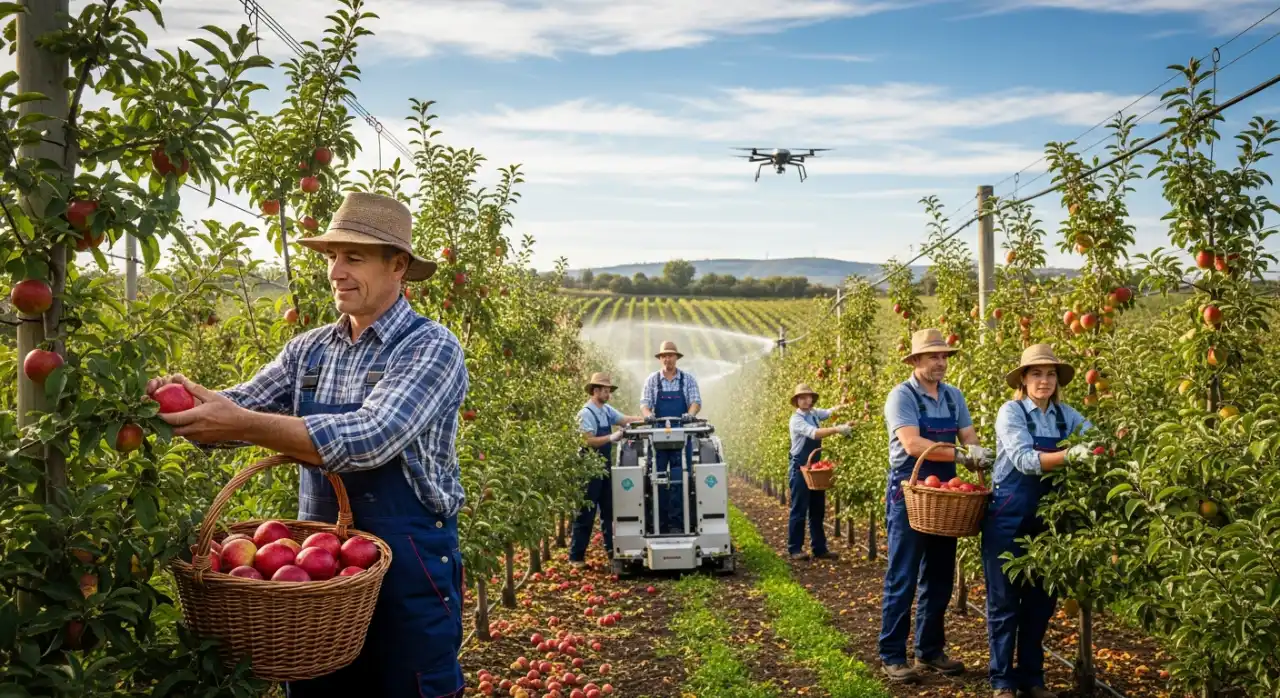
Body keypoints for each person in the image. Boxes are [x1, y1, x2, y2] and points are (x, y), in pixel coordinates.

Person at [147, 192, 469, 698]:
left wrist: (242, 422)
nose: (336, 271)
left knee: (410, 686)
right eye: (331, 258)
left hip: (410, 569)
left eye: (354, 257)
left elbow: (369, 438)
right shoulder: (309, 349)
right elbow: (241, 404)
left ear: (398, 266)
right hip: (315, 579)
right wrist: (181, 405)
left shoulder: (433, 347)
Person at [879, 328, 992, 683]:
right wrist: (963, 456)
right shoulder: (902, 396)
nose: (941, 362)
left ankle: (929, 650)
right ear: (915, 361)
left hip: (946, 492)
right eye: (933, 357)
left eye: (944, 357)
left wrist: (976, 451)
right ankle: (893, 654)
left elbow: (968, 435)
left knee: (940, 576)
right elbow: (912, 444)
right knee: (903, 575)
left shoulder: (954, 395)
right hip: (911, 487)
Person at [984, 344, 1097, 698]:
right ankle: (1002, 680)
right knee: (1004, 601)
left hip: (1050, 518)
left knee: (1041, 601)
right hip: (1008, 514)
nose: (1044, 380)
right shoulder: (1011, 412)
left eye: (1050, 374)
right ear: (1023, 379)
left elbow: (1097, 439)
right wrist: (1071, 454)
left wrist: (1101, 447)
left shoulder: (1068, 416)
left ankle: (1032, 678)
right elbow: (1023, 460)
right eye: (1036, 374)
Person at [571, 372, 643, 568]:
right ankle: (576, 557)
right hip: (589, 467)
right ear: (595, 391)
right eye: (605, 390)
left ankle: (612, 551)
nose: (608, 393)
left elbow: (623, 419)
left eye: (609, 390)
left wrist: (645, 419)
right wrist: (611, 438)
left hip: (604, 466)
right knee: (586, 511)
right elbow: (587, 440)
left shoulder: (605, 410)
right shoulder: (586, 413)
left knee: (609, 510)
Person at [639, 340, 701, 534]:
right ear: (660, 359)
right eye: (664, 356)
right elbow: (645, 404)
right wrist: (648, 415)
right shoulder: (652, 381)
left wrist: (690, 414)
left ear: (676, 358)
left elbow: (695, 401)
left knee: (681, 478)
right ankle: (659, 521)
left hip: (682, 437)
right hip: (658, 438)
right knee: (656, 478)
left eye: (671, 355)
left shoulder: (687, 379)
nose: (668, 359)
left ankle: (678, 522)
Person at [787, 383, 853, 561]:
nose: (805, 400)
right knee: (799, 509)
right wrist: (837, 429)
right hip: (800, 467)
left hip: (816, 468)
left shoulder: (814, 413)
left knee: (817, 509)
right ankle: (795, 548)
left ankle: (819, 548)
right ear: (797, 401)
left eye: (808, 397)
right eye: (801, 397)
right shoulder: (797, 420)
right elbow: (814, 433)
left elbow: (830, 412)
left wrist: (845, 403)